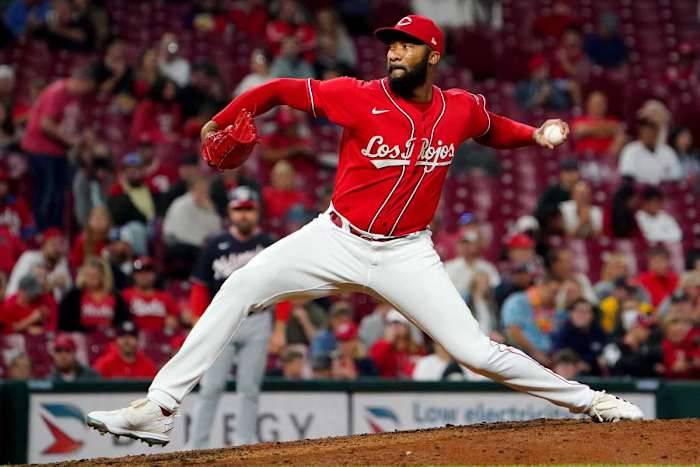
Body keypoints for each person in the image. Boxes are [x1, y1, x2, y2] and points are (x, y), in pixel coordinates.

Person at [87, 15, 642, 446]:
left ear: (434, 54)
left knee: (475, 350)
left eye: (405, 44)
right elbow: (279, 88)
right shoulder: (359, 94)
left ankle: (594, 401)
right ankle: (158, 409)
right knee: (239, 286)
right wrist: (223, 116)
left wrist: (536, 134)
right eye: (390, 45)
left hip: (407, 254)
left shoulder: (460, 108)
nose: (394, 51)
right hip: (335, 238)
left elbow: (492, 128)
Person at [186, 186, 287, 448]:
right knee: (211, 388)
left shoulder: (269, 244)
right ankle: (197, 446)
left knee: (249, 388)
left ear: (257, 211)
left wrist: (280, 329)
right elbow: (199, 288)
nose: (243, 215)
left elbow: (284, 288)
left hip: (258, 319)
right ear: (230, 212)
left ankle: (244, 444)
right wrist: (200, 327)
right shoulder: (214, 246)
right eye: (238, 209)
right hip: (223, 321)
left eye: (248, 209)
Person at [20, 63, 96, 230]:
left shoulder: (75, 96)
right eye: (89, 86)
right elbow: (45, 124)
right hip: (40, 149)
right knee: (47, 193)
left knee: (58, 196)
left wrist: (84, 136)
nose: (89, 90)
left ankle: (53, 232)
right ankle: (42, 232)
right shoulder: (58, 91)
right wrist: (71, 141)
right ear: (82, 81)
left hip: (57, 151)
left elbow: (75, 122)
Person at [162, 176, 222, 271]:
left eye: (206, 191)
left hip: (196, 244)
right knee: (204, 254)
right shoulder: (181, 204)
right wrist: (203, 245)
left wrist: (210, 211)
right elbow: (181, 234)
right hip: (176, 243)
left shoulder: (205, 205)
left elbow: (216, 230)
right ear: (192, 189)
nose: (204, 193)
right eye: (200, 189)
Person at [501, 275, 561, 366]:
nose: (554, 296)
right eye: (553, 292)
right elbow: (513, 330)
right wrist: (535, 352)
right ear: (541, 286)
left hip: (546, 358)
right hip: (522, 357)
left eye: (556, 294)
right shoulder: (518, 301)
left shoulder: (547, 308)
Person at [58, 257, 130, 332]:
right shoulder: (74, 296)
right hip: (81, 339)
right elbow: (65, 323)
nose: (90, 279)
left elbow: (123, 322)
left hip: (109, 339)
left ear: (103, 276)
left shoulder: (115, 296)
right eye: (87, 275)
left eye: (94, 276)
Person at [7, 228, 71, 301]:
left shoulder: (61, 263)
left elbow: (68, 288)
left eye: (60, 245)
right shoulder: (30, 257)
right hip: (17, 304)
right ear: (44, 244)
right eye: (53, 244)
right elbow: (18, 287)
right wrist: (52, 284)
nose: (57, 249)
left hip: (48, 308)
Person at [121, 257, 179, 332]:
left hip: (160, 338)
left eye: (148, 271)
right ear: (134, 275)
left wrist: (172, 322)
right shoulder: (125, 295)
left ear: (155, 274)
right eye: (140, 272)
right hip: (134, 337)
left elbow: (175, 320)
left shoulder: (165, 297)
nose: (144, 275)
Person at [618, 118, 682, 186]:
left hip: (664, 192)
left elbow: (676, 177)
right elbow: (627, 178)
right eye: (645, 132)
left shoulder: (668, 151)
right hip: (639, 192)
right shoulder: (630, 150)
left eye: (652, 132)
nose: (648, 135)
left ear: (657, 133)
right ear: (640, 133)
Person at [552, 299, 607, 375]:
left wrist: (589, 363)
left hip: (594, 373)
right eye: (579, 311)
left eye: (586, 312)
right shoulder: (564, 332)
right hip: (570, 372)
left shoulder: (599, 332)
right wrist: (577, 364)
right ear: (571, 313)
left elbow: (601, 353)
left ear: (592, 315)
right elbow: (559, 353)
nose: (582, 315)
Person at [444, 223, 500, 297]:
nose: (466, 247)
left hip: (479, 304)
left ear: (477, 245)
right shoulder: (449, 266)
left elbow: (495, 286)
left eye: (469, 243)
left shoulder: (486, 266)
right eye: (462, 243)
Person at [368, 310, 421, 378]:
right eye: (391, 324)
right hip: (387, 386)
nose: (395, 327)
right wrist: (388, 341)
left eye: (398, 323)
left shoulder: (415, 348)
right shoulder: (380, 345)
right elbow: (375, 366)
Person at [571, 91, 624, 159]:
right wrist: (607, 131)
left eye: (601, 103)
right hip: (583, 159)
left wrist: (590, 131)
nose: (598, 106)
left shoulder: (613, 120)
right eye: (595, 103)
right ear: (588, 104)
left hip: (607, 160)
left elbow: (617, 131)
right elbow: (579, 131)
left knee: (621, 138)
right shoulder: (579, 119)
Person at [534, 159, 579, 235]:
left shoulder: (583, 190)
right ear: (561, 174)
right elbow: (540, 211)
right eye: (567, 172)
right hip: (554, 228)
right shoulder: (553, 190)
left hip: (577, 225)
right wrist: (559, 208)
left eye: (573, 171)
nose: (571, 175)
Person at [69, 205, 111, 271]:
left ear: (108, 221)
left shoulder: (112, 240)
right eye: (94, 217)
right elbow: (74, 264)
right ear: (89, 221)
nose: (98, 221)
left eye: (102, 217)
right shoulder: (81, 240)